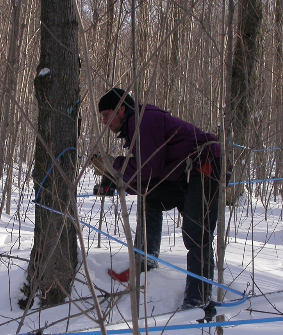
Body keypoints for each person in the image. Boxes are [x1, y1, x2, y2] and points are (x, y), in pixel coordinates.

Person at [94, 87, 221, 309]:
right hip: (184, 174)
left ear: (121, 109)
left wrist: (115, 166)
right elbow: (151, 177)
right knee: (149, 197)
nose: (104, 122)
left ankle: (197, 299)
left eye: (106, 115)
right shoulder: (136, 124)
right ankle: (146, 260)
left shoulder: (142, 121)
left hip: (205, 168)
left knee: (196, 236)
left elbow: (148, 168)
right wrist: (116, 178)